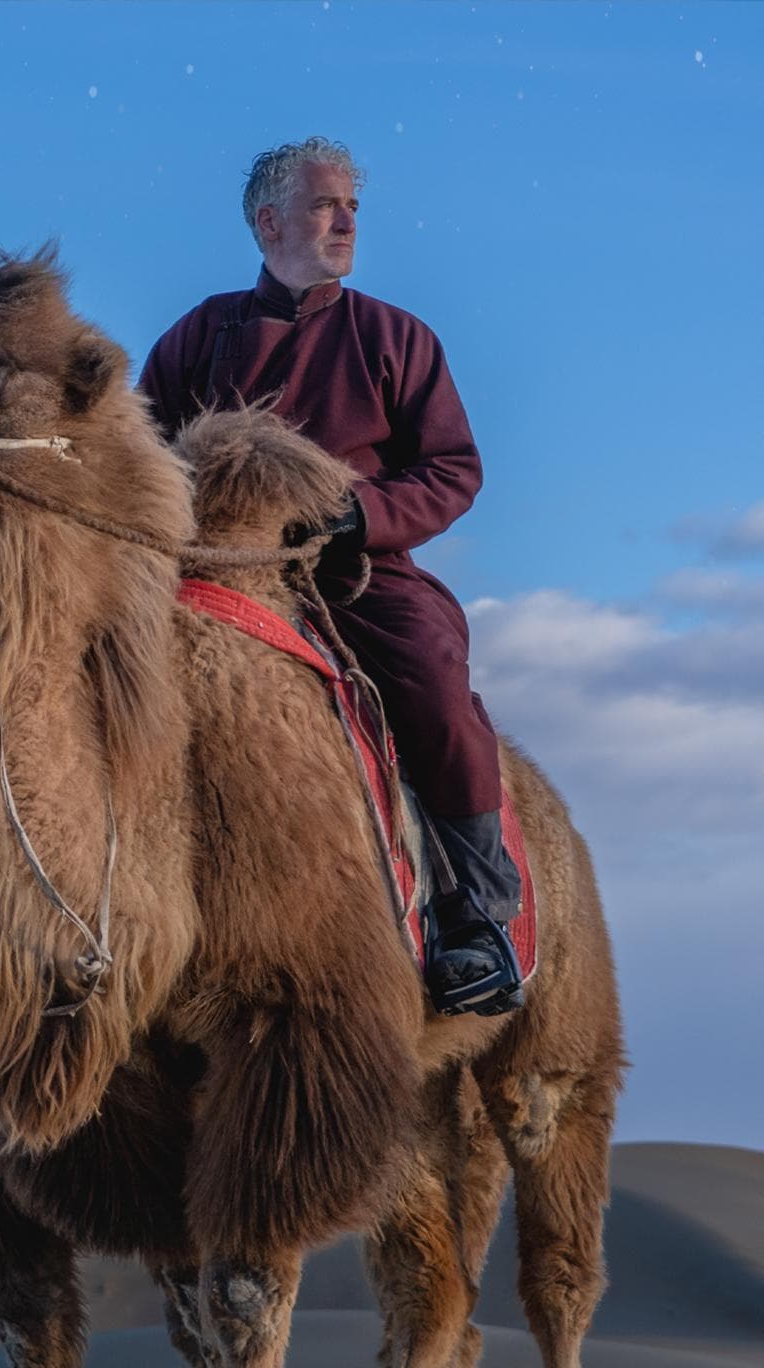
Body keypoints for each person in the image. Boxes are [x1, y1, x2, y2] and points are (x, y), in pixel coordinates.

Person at [138, 134, 524, 1015]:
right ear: (268, 221)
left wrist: (359, 515)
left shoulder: (394, 336)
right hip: (210, 574)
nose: (346, 219)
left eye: (352, 205)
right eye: (325, 203)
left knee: (430, 669)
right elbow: (140, 463)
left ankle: (474, 918)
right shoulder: (197, 335)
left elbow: (452, 468)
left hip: (354, 576)